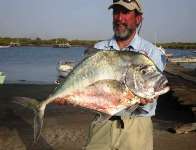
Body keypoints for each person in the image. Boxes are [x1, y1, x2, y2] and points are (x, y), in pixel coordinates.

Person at [85, 0, 166, 150]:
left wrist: (148, 96)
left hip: (137, 126)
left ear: (138, 19)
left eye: (126, 12)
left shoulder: (153, 53)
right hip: (102, 124)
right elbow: (86, 85)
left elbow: (154, 89)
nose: (119, 18)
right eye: (116, 12)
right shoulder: (98, 49)